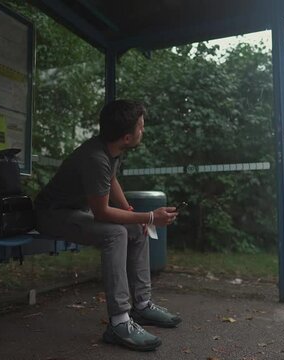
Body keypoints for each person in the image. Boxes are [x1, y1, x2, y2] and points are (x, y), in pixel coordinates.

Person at [35, 99, 181, 351]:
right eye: (141, 127)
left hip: (74, 212)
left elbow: (110, 180)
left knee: (135, 228)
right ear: (126, 137)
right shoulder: (95, 157)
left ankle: (143, 305)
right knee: (115, 233)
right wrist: (148, 217)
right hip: (52, 215)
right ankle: (119, 322)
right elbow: (101, 213)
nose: (142, 131)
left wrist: (130, 212)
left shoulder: (109, 149)